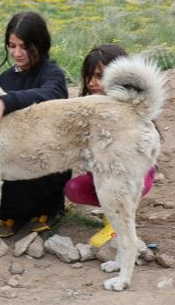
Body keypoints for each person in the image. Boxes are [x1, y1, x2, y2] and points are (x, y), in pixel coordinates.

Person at [0, 11, 70, 234]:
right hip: (9, 157)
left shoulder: (52, 73)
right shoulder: (3, 79)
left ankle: (49, 207)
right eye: (12, 45)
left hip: (43, 161)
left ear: (40, 44)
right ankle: (10, 212)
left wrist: (4, 103)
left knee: (30, 181)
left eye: (25, 46)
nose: (17, 53)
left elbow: (51, 94)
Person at [66, 44, 157, 212]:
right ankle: (111, 208)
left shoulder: (132, 109)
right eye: (88, 76)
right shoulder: (89, 107)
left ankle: (118, 219)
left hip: (135, 175)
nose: (91, 83)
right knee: (74, 188)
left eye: (100, 76)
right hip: (104, 174)